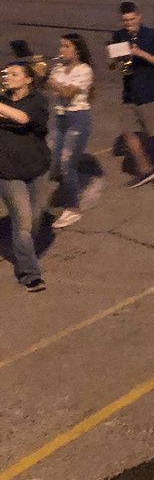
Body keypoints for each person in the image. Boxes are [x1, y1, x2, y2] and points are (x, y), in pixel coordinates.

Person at [113, 1, 154, 187]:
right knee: (129, 133)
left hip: (149, 93)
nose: (129, 23)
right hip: (129, 93)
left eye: (132, 19)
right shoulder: (118, 36)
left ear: (139, 16)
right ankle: (146, 170)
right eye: (125, 20)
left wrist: (140, 53)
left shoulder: (150, 35)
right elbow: (115, 63)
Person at [0, 60, 52, 291]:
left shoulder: (37, 102)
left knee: (36, 218)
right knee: (22, 221)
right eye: (6, 73)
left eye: (14, 73)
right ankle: (29, 273)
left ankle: (23, 248)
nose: (7, 77)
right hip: (8, 172)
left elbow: (22, 119)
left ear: (28, 79)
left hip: (37, 169)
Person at [45, 34, 95, 229]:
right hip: (60, 119)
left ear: (77, 50)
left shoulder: (84, 70)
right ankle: (66, 190)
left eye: (66, 46)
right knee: (54, 163)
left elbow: (67, 93)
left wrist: (50, 81)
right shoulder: (58, 68)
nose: (61, 51)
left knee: (67, 164)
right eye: (61, 46)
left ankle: (72, 209)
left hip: (77, 119)